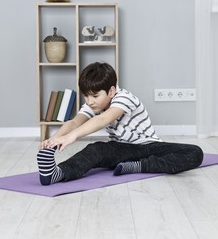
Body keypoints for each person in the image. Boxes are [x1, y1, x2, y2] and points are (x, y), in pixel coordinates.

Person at [37, 62, 203, 185]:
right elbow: (74, 122)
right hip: (120, 150)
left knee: (195, 152)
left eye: (95, 96)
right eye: (86, 96)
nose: (90, 101)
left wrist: (72, 137)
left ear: (111, 91)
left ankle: (140, 166)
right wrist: (54, 139)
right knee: (96, 149)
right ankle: (57, 174)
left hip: (148, 147)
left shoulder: (124, 98)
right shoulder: (93, 103)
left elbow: (103, 119)